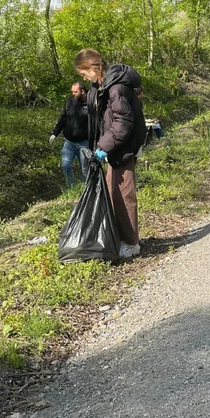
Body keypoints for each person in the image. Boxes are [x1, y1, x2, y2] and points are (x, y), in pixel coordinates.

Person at [74, 48, 146, 260]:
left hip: (123, 145)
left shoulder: (115, 87)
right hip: (114, 145)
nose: (83, 77)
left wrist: (103, 146)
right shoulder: (101, 85)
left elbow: (123, 122)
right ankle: (122, 237)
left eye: (83, 73)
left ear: (93, 67)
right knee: (113, 192)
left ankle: (132, 243)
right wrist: (100, 144)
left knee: (123, 194)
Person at [49, 82, 89, 187]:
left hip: (84, 143)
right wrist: (55, 133)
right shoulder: (70, 101)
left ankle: (85, 190)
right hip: (69, 142)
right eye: (72, 91)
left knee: (85, 170)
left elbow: (98, 123)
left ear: (83, 91)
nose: (73, 94)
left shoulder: (92, 103)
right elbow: (63, 118)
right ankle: (70, 188)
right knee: (65, 165)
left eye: (75, 92)